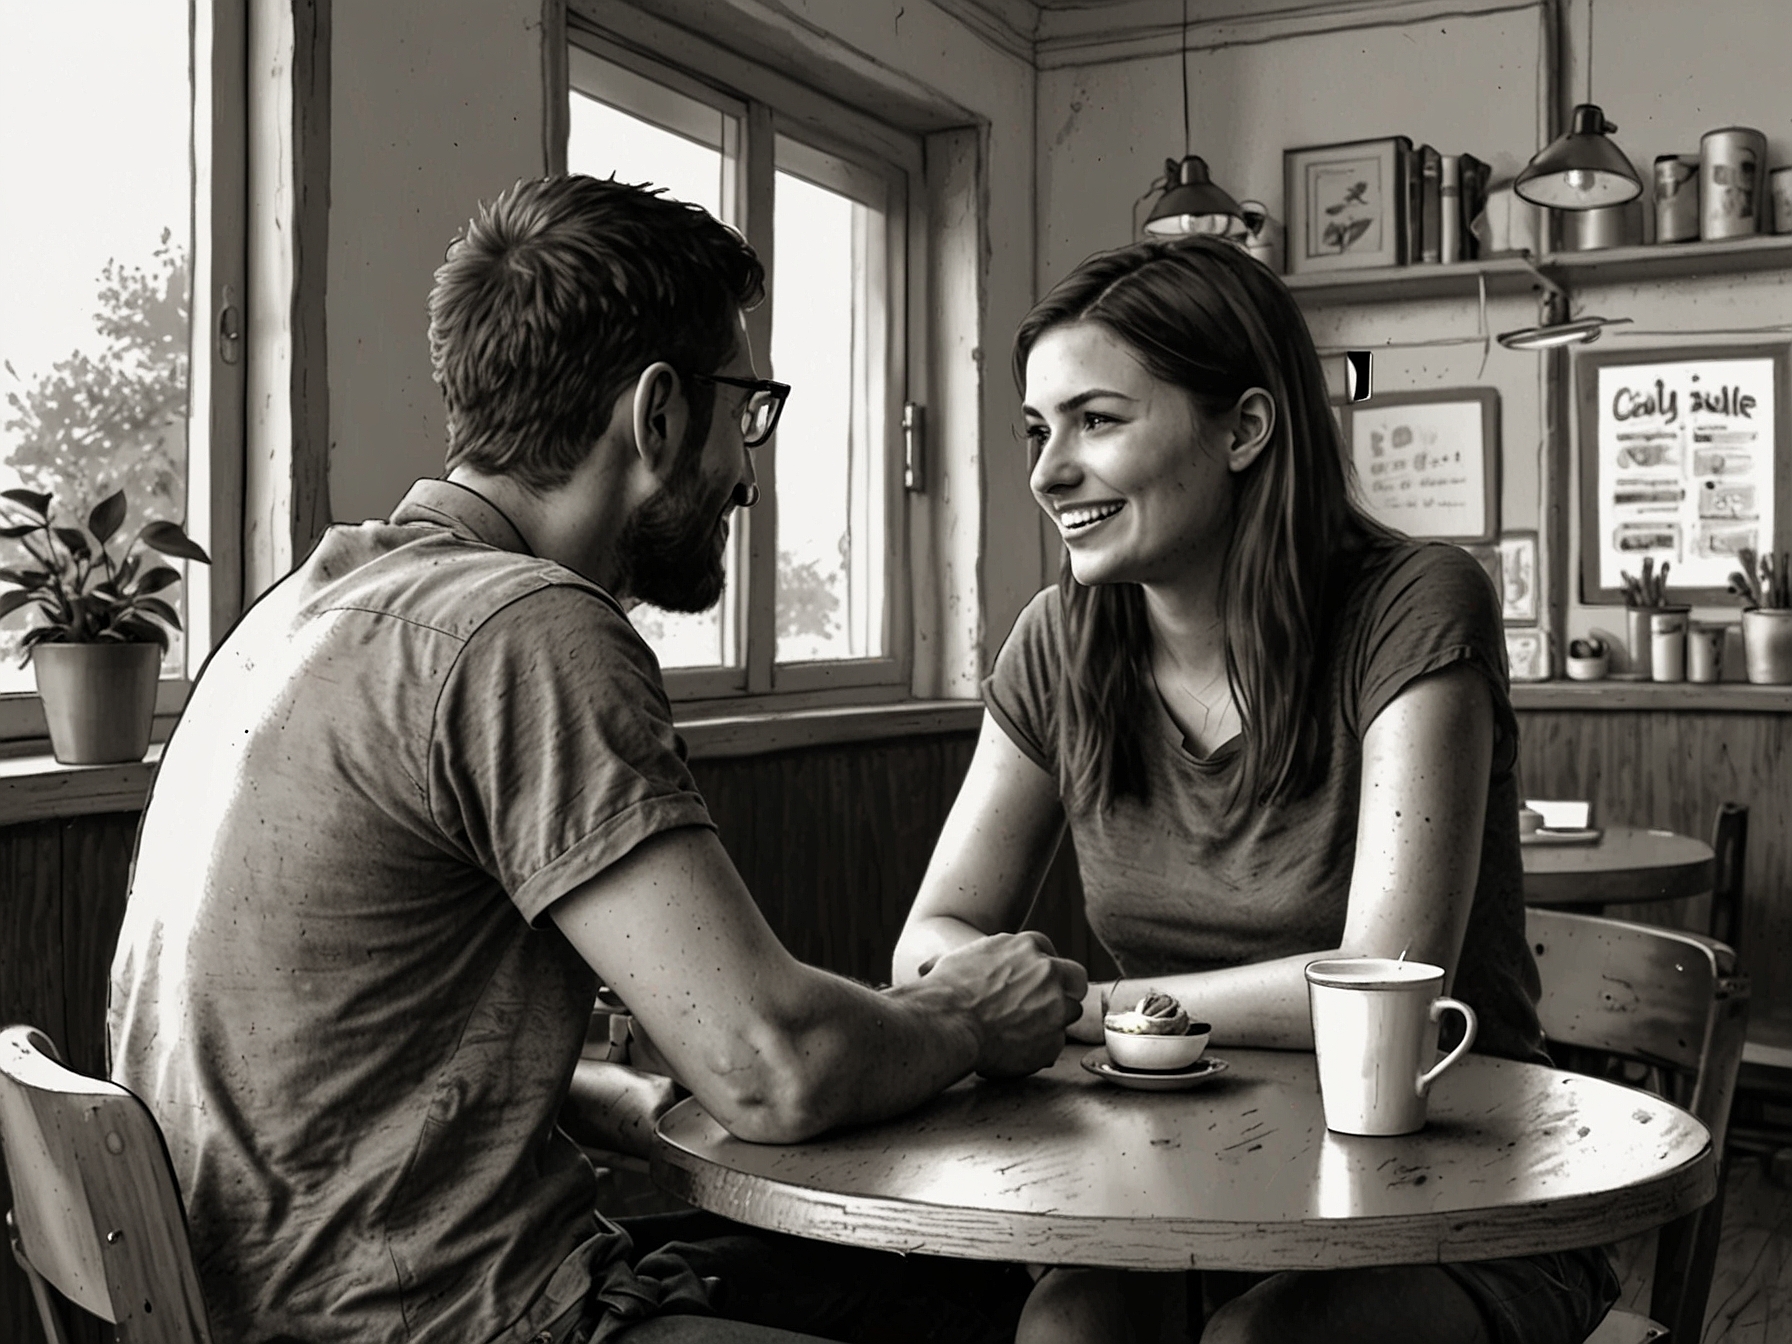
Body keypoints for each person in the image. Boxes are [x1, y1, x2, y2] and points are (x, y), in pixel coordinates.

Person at [107, 173, 1087, 1344]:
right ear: (658, 412)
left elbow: (311, 1064)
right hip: (442, 1324)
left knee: (935, 1285)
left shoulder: (300, 611)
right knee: (1003, 1297)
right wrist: (969, 1016)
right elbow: (773, 1070)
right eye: (748, 409)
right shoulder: (526, 629)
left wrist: (597, 1090)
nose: (749, 474)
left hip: (253, 1305)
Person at [891, 236, 1621, 1344]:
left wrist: (1086, 1012)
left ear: (1242, 428)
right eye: (1038, 431)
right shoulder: (1057, 641)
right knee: (1068, 1329)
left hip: (1454, 1187)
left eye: (1096, 420)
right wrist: (995, 997)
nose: (1045, 472)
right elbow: (925, 947)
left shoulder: (1413, 605)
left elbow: (1388, 982)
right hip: (1178, 1172)